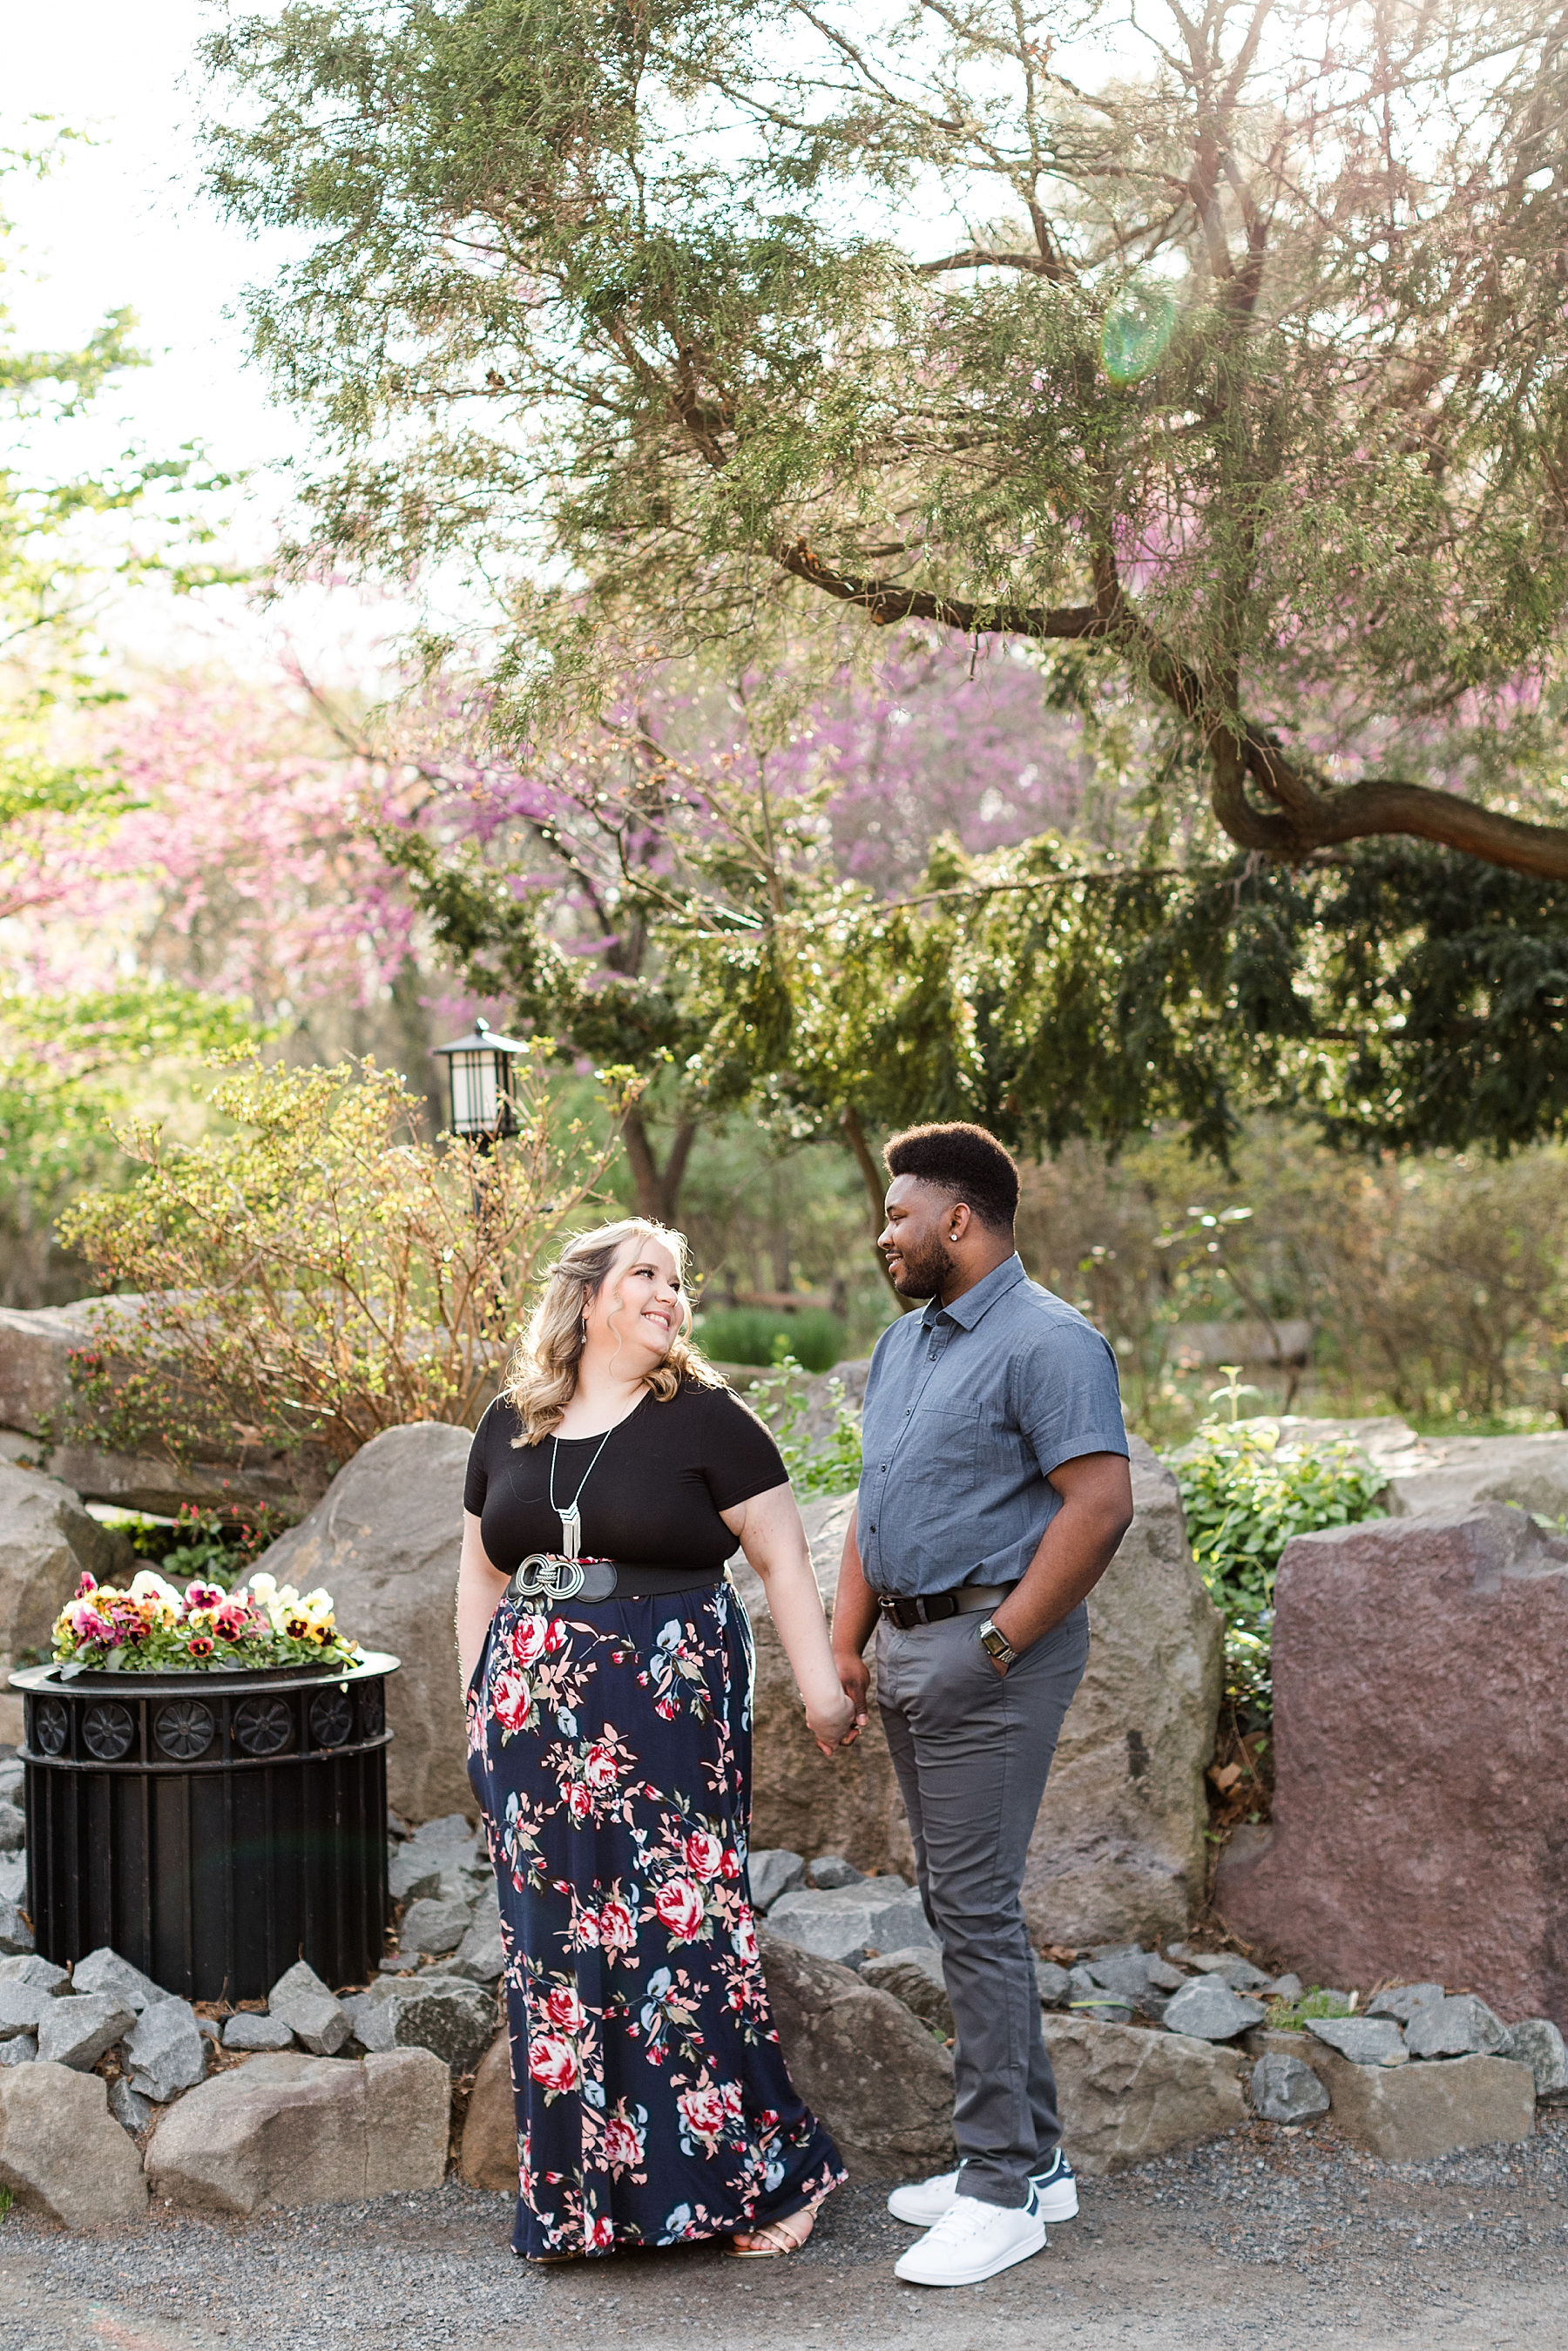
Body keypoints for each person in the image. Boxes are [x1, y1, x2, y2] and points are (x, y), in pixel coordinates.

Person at [456, 1217, 856, 2260]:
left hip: (667, 1704)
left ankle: (776, 2178)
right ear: (588, 1297)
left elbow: (780, 1560)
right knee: (556, 1954)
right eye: (647, 1275)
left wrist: (823, 1694)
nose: (670, 1295)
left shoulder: (710, 1421)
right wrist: (475, 1702)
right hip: (530, 1718)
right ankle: (589, 2205)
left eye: (678, 1282)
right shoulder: (509, 1422)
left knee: (685, 1942)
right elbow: (480, 1576)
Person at [830, 1122, 1135, 2290]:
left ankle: (999, 2184)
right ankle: (1038, 2160)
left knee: (975, 1906)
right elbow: (872, 1498)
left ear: (960, 1217)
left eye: (900, 1213)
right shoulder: (905, 1342)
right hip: (911, 1648)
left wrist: (999, 1644)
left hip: (990, 1652)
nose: (884, 1232)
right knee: (961, 1902)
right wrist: (849, 1648)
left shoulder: (1052, 1339)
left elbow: (1098, 1504)